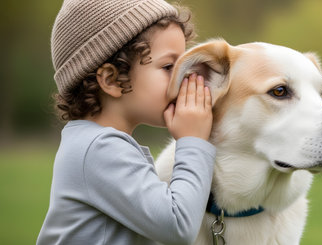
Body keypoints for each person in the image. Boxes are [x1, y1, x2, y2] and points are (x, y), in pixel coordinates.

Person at [37, 0, 215, 244]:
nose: (183, 78)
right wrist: (193, 141)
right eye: (168, 66)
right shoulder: (99, 148)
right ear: (111, 80)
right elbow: (178, 226)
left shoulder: (95, 143)